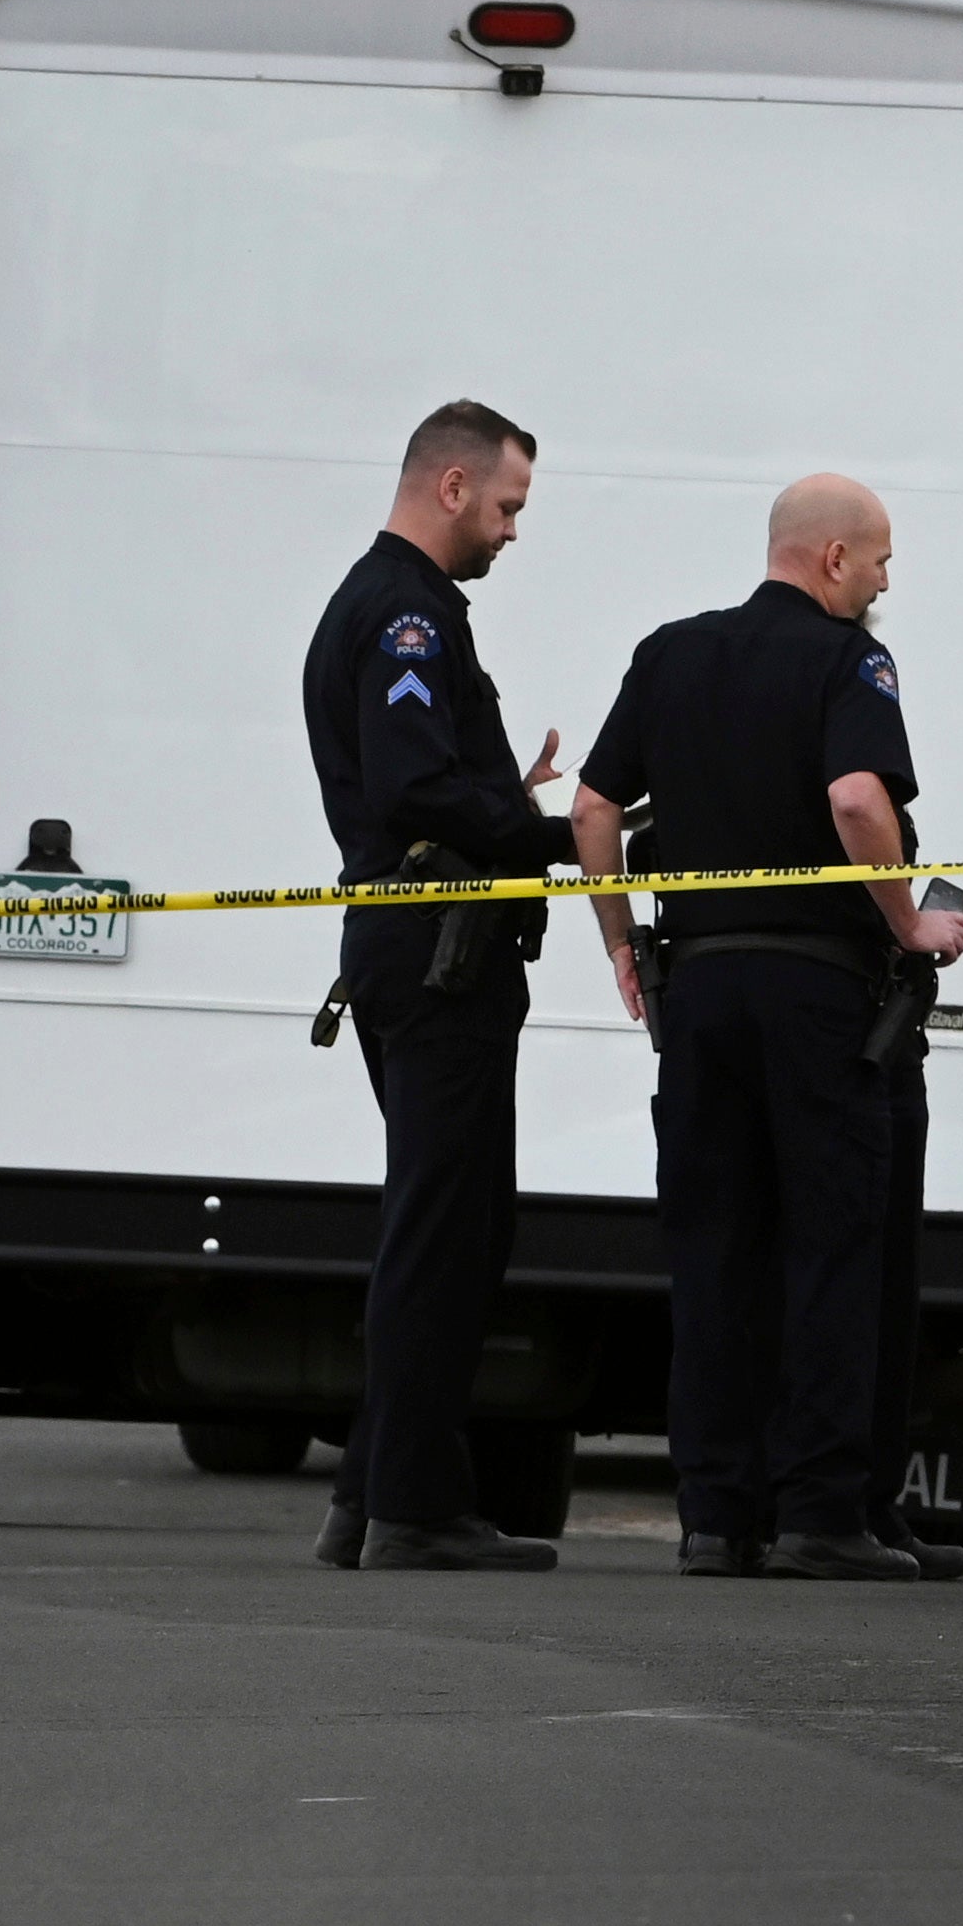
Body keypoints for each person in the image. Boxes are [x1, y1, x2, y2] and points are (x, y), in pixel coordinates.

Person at [573, 474, 963, 1581]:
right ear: (834, 558)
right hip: (818, 994)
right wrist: (913, 921)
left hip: (696, 991)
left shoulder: (670, 653)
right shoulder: (851, 660)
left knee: (716, 1248)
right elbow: (855, 798)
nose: (887, 580)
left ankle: (715, 1514)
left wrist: (619, 941)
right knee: (834, 1248)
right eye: (881, 560)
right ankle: (823, 1514)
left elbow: (593, 809)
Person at [294, 401, 574, 1575]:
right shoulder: (407, 615)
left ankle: (371, 1495)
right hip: (436, 950)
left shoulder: (391, 603)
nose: (513, 531)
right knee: (444, 1230)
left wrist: (511, 807)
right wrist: (544, 830)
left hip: (420, 946)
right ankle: (413, 1506)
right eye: (508, 504)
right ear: (452, 486)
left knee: (451, 1221)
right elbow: (416, 787)